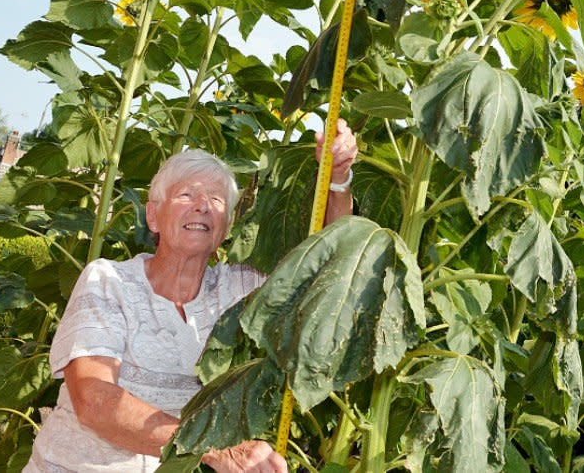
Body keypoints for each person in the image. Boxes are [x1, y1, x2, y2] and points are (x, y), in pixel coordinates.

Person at [24, 121, 358, 473]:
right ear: (153, 216)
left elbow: (324, 264)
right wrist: (214, 448)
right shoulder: (109, 281)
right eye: (186, 195)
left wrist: (337, 180)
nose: (202, 206)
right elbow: (94, 401)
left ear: (226, 227)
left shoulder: (237, 291)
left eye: (216, 200)